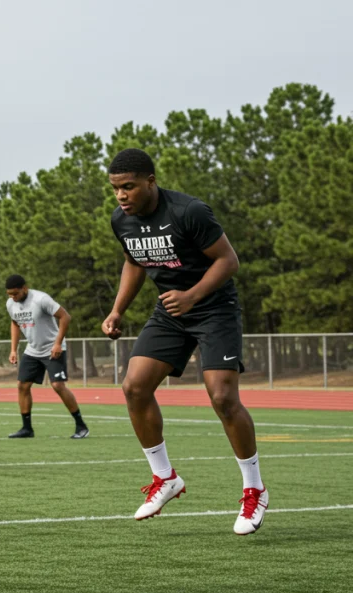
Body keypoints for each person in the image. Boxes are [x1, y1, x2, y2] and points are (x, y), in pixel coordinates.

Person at [102, 148, 265, 535]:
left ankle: (254, 488)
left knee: (223, 398)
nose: (121, 196)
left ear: (151, 182)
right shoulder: (120, 220)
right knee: (134, 387)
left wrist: (192, 295)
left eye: (128, 187)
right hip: (170, 312)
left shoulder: (189, 211)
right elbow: (133, 261)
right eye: (115, 189)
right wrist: (117, 310)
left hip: (213, 308)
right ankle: (166, 478)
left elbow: (229, 260)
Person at [4, 275, 89, 440]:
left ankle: (81, 426)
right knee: (22, 385)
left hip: (53, 349)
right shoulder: (10, 304)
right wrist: (13, 349)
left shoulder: (41, 299)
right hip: (32, 350)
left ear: (24, 289)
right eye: (9, 294)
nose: (13, 297)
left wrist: (58, 343)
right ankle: (27, 428)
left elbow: (65, 317)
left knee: (58, 385)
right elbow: (14, 323)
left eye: (15, 293)